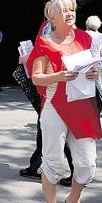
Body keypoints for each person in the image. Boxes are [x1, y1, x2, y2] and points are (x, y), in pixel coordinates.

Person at [27, 0, 102, 203]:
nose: (70, 13)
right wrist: (58, 76)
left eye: (72, 9)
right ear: (52, 17)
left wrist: (93, 74)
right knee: (53, 163)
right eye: (64, 11)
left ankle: (72, 200)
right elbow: (36, 77)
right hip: (55, 106)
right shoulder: (45, 42)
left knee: (87, 165)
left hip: (82, 105)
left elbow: (93, 68)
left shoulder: (85, 38)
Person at [18, 14, 75, 188]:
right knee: (45, 128)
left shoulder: (70, 33)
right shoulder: (46, 26)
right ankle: (37, 164)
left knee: (56, 131)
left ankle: (74, 170)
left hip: (59, 90)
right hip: (49, 90)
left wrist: (29, 60)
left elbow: (53, 57)